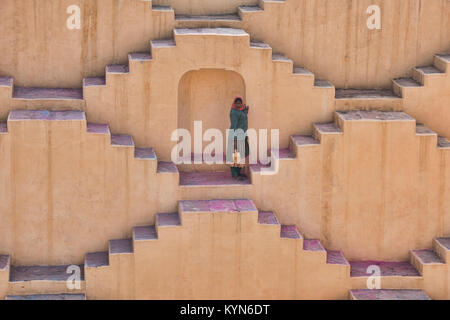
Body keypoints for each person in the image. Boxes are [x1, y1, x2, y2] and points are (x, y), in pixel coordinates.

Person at [227, 96, 250, 181]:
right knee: (235, 155)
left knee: (241, 154)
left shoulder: (241, 110)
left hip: (242, 135)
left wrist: (245, 111)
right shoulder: (233, 112)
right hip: (236, 136)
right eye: (237, 103)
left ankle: (238, 172)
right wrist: (234, 139)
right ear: (234, 103)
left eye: (240, 103)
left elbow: (242, 118)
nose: (238, 104)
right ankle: (235, 174)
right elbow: (234, 126)